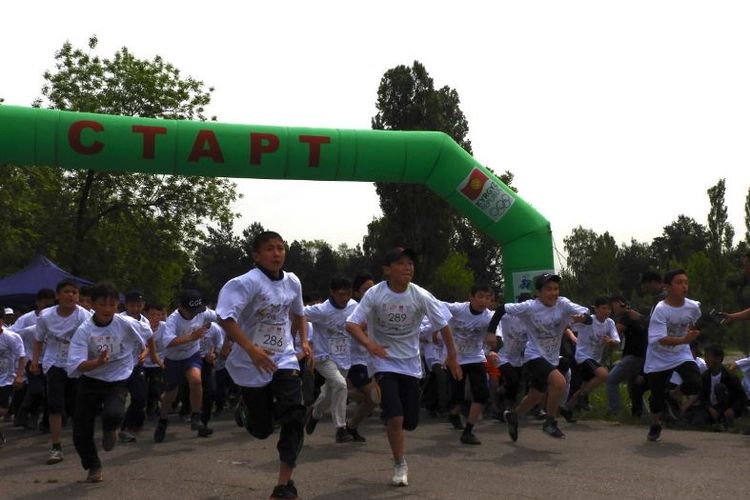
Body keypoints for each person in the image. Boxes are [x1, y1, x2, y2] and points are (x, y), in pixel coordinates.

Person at [346, 247, 461, 487]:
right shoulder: (375, 294)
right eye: (401, 263)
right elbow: (352, 324)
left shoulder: (420, 295)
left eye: (410, 263)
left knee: (410, 421)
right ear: (387, 270)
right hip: (383, 362)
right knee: (395, 418)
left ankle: (387, 404)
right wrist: (370, 344)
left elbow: (444, 324)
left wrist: (452, 356)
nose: (408, 267)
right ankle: (400, 464)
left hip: (410, 364)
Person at [217, 231, 311, 500]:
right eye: (270, 249)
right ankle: (246, 407)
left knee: (295, 413)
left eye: (281, 248)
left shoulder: (292, 281)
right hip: (250, 360)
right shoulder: (244, 283)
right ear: (256, 255)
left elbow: (299, 313)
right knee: (262, 430)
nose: (276, 253)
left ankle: (284, 484)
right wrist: (251, 349)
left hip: (283, 356)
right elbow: (226, 318)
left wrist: (304, 342)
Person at [490, 273, 591, 441]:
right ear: (538, 292)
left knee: (535, 396)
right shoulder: (530, 306)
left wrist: (584, 318)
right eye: (548, 289)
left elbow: (588, 316)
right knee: (559, 382)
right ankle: (550, 422)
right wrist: (490, 332)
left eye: (556, 289)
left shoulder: (563, 304)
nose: (553, 293)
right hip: (533, 355)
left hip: (551, 357)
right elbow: (501, 309)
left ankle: (514, 416)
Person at [67, 283, 146, 483]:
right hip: (90, 379)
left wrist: (144, 353)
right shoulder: (84, 330)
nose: (108, 309)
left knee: (113, 414)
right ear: (93, 305)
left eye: (112, 305)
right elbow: (77, 365)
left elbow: (148, 336)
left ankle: (111, 429)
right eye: (102, 304)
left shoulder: (126, 323)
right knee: (81, 430)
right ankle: (93, 465)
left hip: (117, 377)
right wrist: (97, 362)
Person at [31, 279, 92, 465]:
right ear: (57, 296)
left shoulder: (85, 316)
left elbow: (93, 340)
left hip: (77, 363)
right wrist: (35, 361)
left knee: (77, 406)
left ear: (78, 296)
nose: (70, 295)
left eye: (74, 292)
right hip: (53, 362)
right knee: (55, 405)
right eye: (66, 292)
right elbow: (38, 339)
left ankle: (82, 442)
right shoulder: (46, 316)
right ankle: (56, 447)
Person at [643, 269, 702, 442]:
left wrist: (690, 334)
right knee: (656, 397)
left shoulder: (693, 306)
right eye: (679, 282)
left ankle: (675, 393)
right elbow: (660, 339)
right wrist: (684, 339)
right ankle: (655, 424)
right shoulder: (661, 310)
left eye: (686, 282)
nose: (684, 286)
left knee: (694, 383)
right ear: (667, 287)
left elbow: (694, 321)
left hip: (680, 353)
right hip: (659, 356)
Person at [154, 289, 217, 442]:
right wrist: (191, 337)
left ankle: (196, 417)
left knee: (196, 380)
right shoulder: (173, 320)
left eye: (198, 310)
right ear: (181, 307)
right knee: (170, 395)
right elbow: (167, 342)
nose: (195, 314)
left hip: (192, 355)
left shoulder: (202, 312)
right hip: (173, 359)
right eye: (191, 311)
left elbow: (222, 316)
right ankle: (162, 421)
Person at [304, 276, 359, 443]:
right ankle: (340, 428)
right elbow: (297, 313)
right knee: (341, 385)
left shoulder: (354, 306)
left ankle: (314, 414)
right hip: (323, 356)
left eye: (348, 294)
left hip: (344, 356)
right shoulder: (320, 310)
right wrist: (304, 342)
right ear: (332, 293)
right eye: (341, 294)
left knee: (329, 391)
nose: (345, 298)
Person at [443, 284, 495, 445]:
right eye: (480, 296)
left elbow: (502, 319)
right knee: (457, 395)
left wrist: (492, 338)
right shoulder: (458, 309)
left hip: (476, 357)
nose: (484, 301)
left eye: (488, 298)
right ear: (471, 297)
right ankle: (454, 413)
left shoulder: (489, 316)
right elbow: (434, 305)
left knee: (482, 393)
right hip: (456, 358)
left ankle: (468, 431)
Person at [561, 297, 620, 420]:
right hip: (583, 356)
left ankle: (567, 408)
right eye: (604, 308)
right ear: (596, 309)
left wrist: (610, 341)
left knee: (585, 386)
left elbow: (616, 341)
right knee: (604, 375)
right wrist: (574, 321)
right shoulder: (588, 320)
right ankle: (582, 397)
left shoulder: (610, 323)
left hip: (595, 358)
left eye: (609, 308)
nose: (607, 311)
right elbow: (570, 325)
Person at [344, 273, 379, 441]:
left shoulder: (379, 308)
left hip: (371, 361)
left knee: (373, 400)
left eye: (373, 287)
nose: (371, 291)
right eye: (366, 289)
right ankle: (339, 391)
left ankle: (350, 426)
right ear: (357, 293)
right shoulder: (354, 309)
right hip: (355, 360)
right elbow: (351, 328)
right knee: (373, 396)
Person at [118, 290, 154, 442]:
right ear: (126, 305)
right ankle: (118, 426)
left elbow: (148, 343)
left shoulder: (144, 321)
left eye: (139, 305)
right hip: (119, 365)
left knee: (140, 397)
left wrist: (145, 353)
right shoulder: (119, 319)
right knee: (117, 398)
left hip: (136, 364)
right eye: (132, 305)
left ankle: (127, 426)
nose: (136, 308)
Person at [605, 295, 648, 417]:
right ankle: (643, 414)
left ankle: (614, 410)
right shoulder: (636, 315)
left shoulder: (626, 315)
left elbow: (615, 333)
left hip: (633, 357)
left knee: (611, 380)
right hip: (642, 357)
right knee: (633, 388)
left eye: (612, 306)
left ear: (618, 303)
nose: (611, 309)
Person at [493, 293, 531, 417]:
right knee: (513, 380)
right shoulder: (507, 317)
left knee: (517, 384)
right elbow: (494, 317)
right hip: (504, 355)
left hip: (520, 358)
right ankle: (501, 405)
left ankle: (506, 407)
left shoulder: (531, 320)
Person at [699, 345, 747, 430]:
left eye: (708, 357)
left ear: (718, 359)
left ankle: (725, 421)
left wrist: (732, 409)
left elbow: (741, 398)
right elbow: (703, 396)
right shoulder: (705, 376)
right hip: (712, 408)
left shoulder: (730, 377)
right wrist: (709, 408)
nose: (706, 360)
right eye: (705, 357)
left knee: (719, 388)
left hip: (727, 407)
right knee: (698, 420)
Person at [0, 316, 25, 447]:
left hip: (7, 378)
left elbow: (21, 356)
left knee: (3, 409)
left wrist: (19, 376)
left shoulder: (11, 337)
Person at [142, 303, 166, 419]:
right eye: (152, 315)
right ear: (145, 314)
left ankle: (152, 408)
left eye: (158, 314)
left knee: (155, 388)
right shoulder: (141, 326)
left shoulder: (165, 327)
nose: (155, 317)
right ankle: (142, 408)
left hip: (159, 362)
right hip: (142, 362)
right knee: (142, 389)